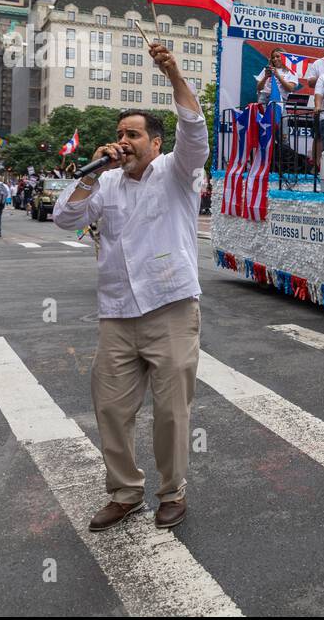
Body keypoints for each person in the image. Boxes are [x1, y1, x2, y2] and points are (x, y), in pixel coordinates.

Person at [52, 42, 208, 533]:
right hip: (117, 313)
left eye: (135, 134)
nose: (125, 141)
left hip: (171, 308)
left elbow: (195, 130)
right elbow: (64, 217)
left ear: (156, 143)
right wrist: (92, 173)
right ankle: (124, 493)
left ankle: (172, 491)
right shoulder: (107, 181)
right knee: (111, 409)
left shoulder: (177, 171)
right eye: (120, 134)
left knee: (170, 412)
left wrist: (174, 73)